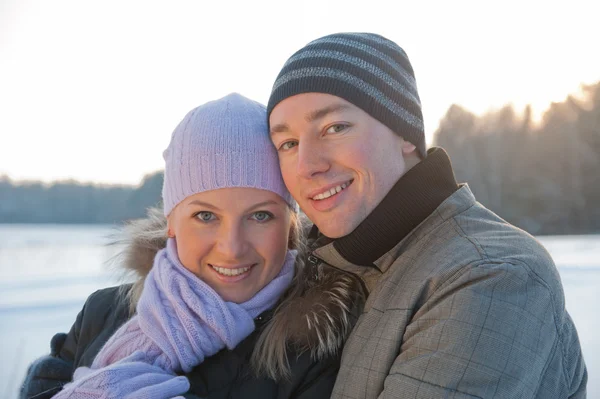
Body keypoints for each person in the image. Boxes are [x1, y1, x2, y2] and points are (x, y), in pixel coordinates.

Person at [266, 32, 587, 398]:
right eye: (288, 143)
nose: (307, 165)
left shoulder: (487, 274)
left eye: (335, 128)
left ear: (405, 133)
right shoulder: (327, 269)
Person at [20, 93, 362, 399]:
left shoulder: (313, 351)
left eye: (260, 216)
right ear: (171, 221)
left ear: (290, 225)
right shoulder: (102, 312)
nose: (232, 247)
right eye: (205, 216)